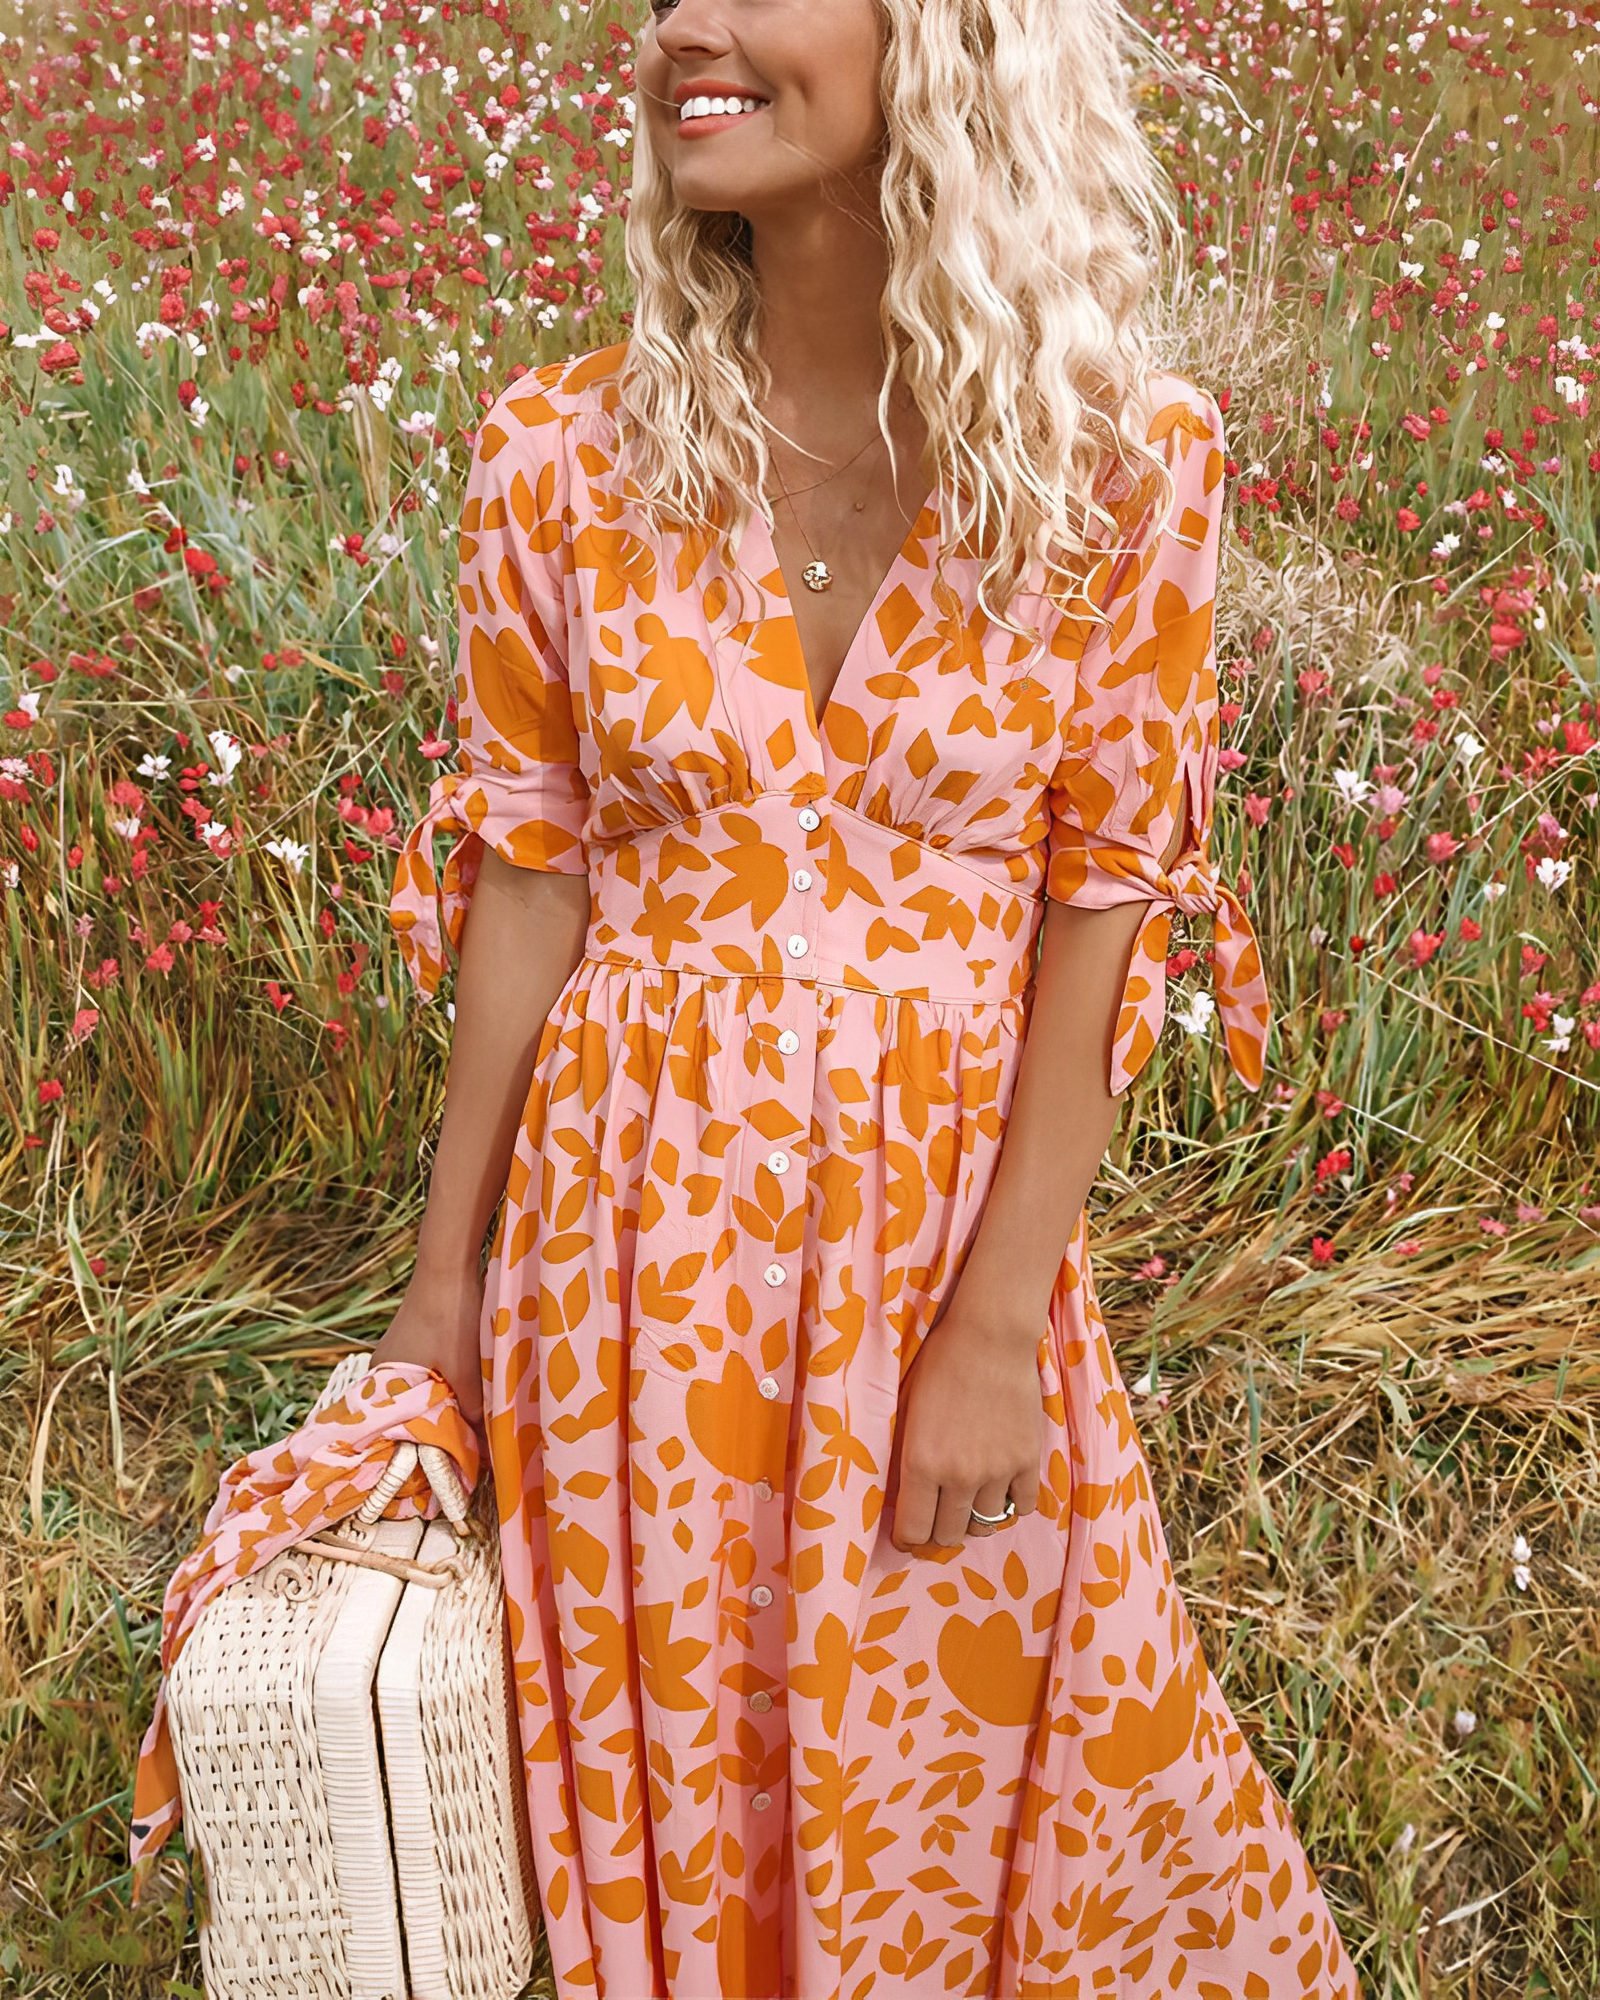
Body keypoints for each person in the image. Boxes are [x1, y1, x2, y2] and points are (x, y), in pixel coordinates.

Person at [377, 0, 1356, 1991]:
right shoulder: (556, 451)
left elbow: (1104, 907)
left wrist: (998, 1320)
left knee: (1008, 1753)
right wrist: (441, 1288)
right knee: (684, 1788)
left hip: (936, 1255)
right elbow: (527, 882)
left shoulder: (1117, 467)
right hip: (628, 1255)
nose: (684, 32)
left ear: (956, 44)